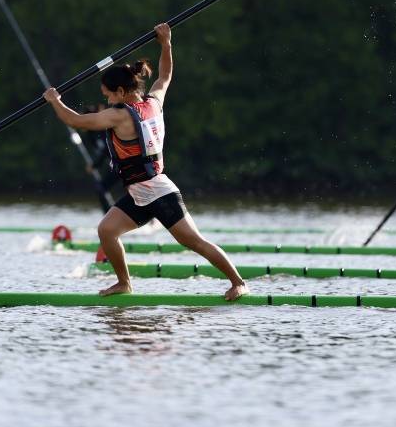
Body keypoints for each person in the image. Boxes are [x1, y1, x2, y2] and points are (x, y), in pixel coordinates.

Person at [44, 23, 250, 300]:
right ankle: (124, 282)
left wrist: (54, 100)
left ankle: (238, 282)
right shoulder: (154, 101)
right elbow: (165, 76)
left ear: (119, 91)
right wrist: (166, 43)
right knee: (106, 230)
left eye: (107, 95)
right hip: (138, 193)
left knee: (193, 242)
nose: (105, 100)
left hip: (158, 191)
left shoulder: (119, 115)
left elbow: (75, 120)